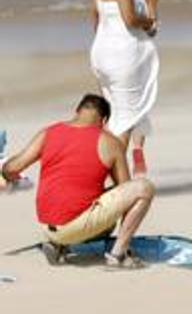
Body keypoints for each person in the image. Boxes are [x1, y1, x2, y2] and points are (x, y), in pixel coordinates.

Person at [1, 94, 156, 269]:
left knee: (78, 196)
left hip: (47, 226)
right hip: (77, 227)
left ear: (77, 111)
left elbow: (12, 168)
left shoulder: (48, 133)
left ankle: (58, 243)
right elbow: (126, 189)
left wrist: (5, 173)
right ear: (104, 120)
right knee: (144, 188)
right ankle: (118, 253)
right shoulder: (110, 142)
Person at [91, 0, 162, 176]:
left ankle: (104, 175)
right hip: (122, 57)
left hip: (102, 54)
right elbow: (131, 19)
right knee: (125, 121)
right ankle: (113, 180)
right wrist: (152, 14)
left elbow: (94, 15)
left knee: (115, 117)